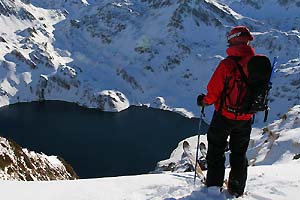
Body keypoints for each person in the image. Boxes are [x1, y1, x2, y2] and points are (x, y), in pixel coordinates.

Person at [197, 26, 255, 197]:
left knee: (216, 150)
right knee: (239, 154)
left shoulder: (227, 64)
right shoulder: (257, 64)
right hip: (245, 118)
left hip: (224, 116)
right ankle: (237, 189)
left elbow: (213, 92)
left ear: (234, 39)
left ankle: (214, 187)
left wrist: (203, 101)